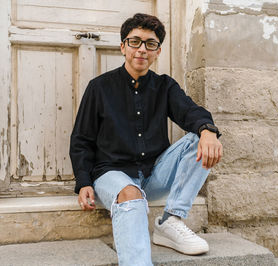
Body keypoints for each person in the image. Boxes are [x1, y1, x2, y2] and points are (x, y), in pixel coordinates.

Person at [69, 13, 223, 266]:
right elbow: (81, 140)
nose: (142, 49)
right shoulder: (99, 87)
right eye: (135, 42)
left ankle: (171, 220)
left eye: (150, 44)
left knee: (202, 135)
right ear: (123, 47)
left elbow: (190, 112)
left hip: (153, 175)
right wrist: (83, 181)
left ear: (158, 51)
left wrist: (208, 131)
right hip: (113, 174)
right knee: (131, 195)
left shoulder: (165, 86)